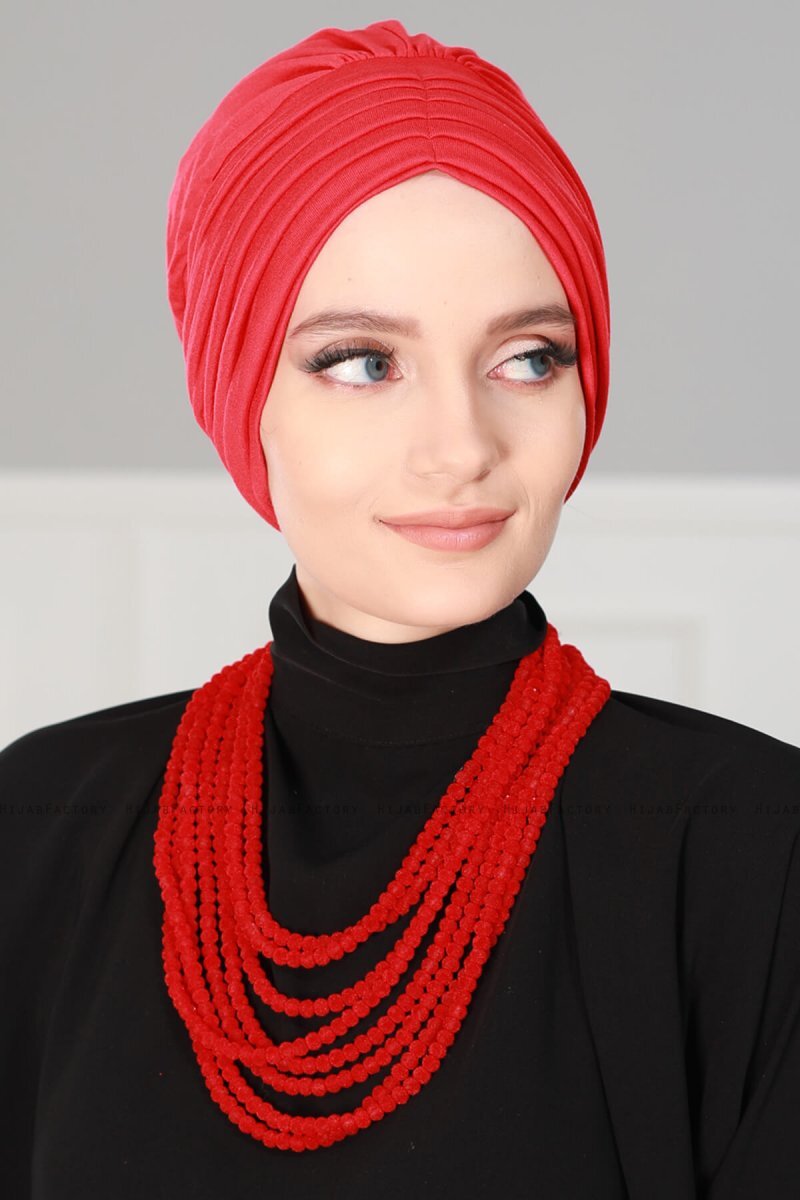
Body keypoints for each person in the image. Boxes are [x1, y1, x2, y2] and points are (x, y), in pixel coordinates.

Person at [1, 18, 798, 1200]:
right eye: (364, 362)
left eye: (527, 357)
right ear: (237, 392)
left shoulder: (751, 847)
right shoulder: (43, 823)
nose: (461, 448)